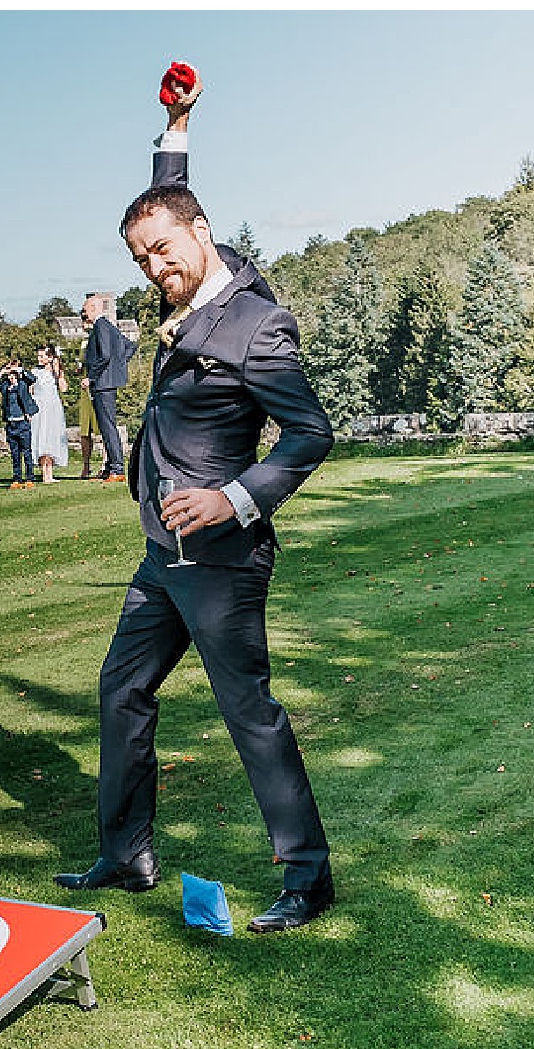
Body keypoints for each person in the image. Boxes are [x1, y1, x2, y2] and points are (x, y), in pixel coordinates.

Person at [54, 70, 338, 933]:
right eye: (141, 258)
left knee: (247, 711)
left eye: (164, 252)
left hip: (220, 560)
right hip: (161, 556)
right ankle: (127, 854)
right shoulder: (184, 279)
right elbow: (167, 202)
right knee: (121, 690)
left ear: (203, 236)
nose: (154, 268)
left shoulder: (258, 325)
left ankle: (308, 877)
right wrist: (174, 130)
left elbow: (310, 434)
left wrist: (235, 500)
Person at [79, 291, 136, 482]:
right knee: (105, 427)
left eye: (85, 309)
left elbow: (104, 355)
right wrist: (118, 366)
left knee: (108, 427)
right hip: (106, 381)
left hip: (103, 384)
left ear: (93, 308)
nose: (83, 312)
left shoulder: (101, 326)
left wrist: (92, 377)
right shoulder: (107, 326)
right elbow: (130, 346)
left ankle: (117, 469)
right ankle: (111, 467)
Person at [0, 355, 39, 489]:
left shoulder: (23, 384)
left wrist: (19, 369)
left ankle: (29, 478)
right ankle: (17, 478)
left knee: (27, 452)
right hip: (11, 424)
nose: (11, 377)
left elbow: (33, 378)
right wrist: (2, 372)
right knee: (15, 453)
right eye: (9, 375)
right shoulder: (5, 386)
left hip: (22, 423)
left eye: (13, 374)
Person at [28, 344, 71, 483]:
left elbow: (64, 389)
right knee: (40, 437)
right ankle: (44, 472)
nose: (39, 358)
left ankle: (49, 473)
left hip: (52, 408)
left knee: (51, 438)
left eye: (42, 356)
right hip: (39, 408)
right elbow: (30, 391)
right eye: (38, 355)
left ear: (50, 357)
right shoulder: (34, 372)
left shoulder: (55, 372)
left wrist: (59, 373)